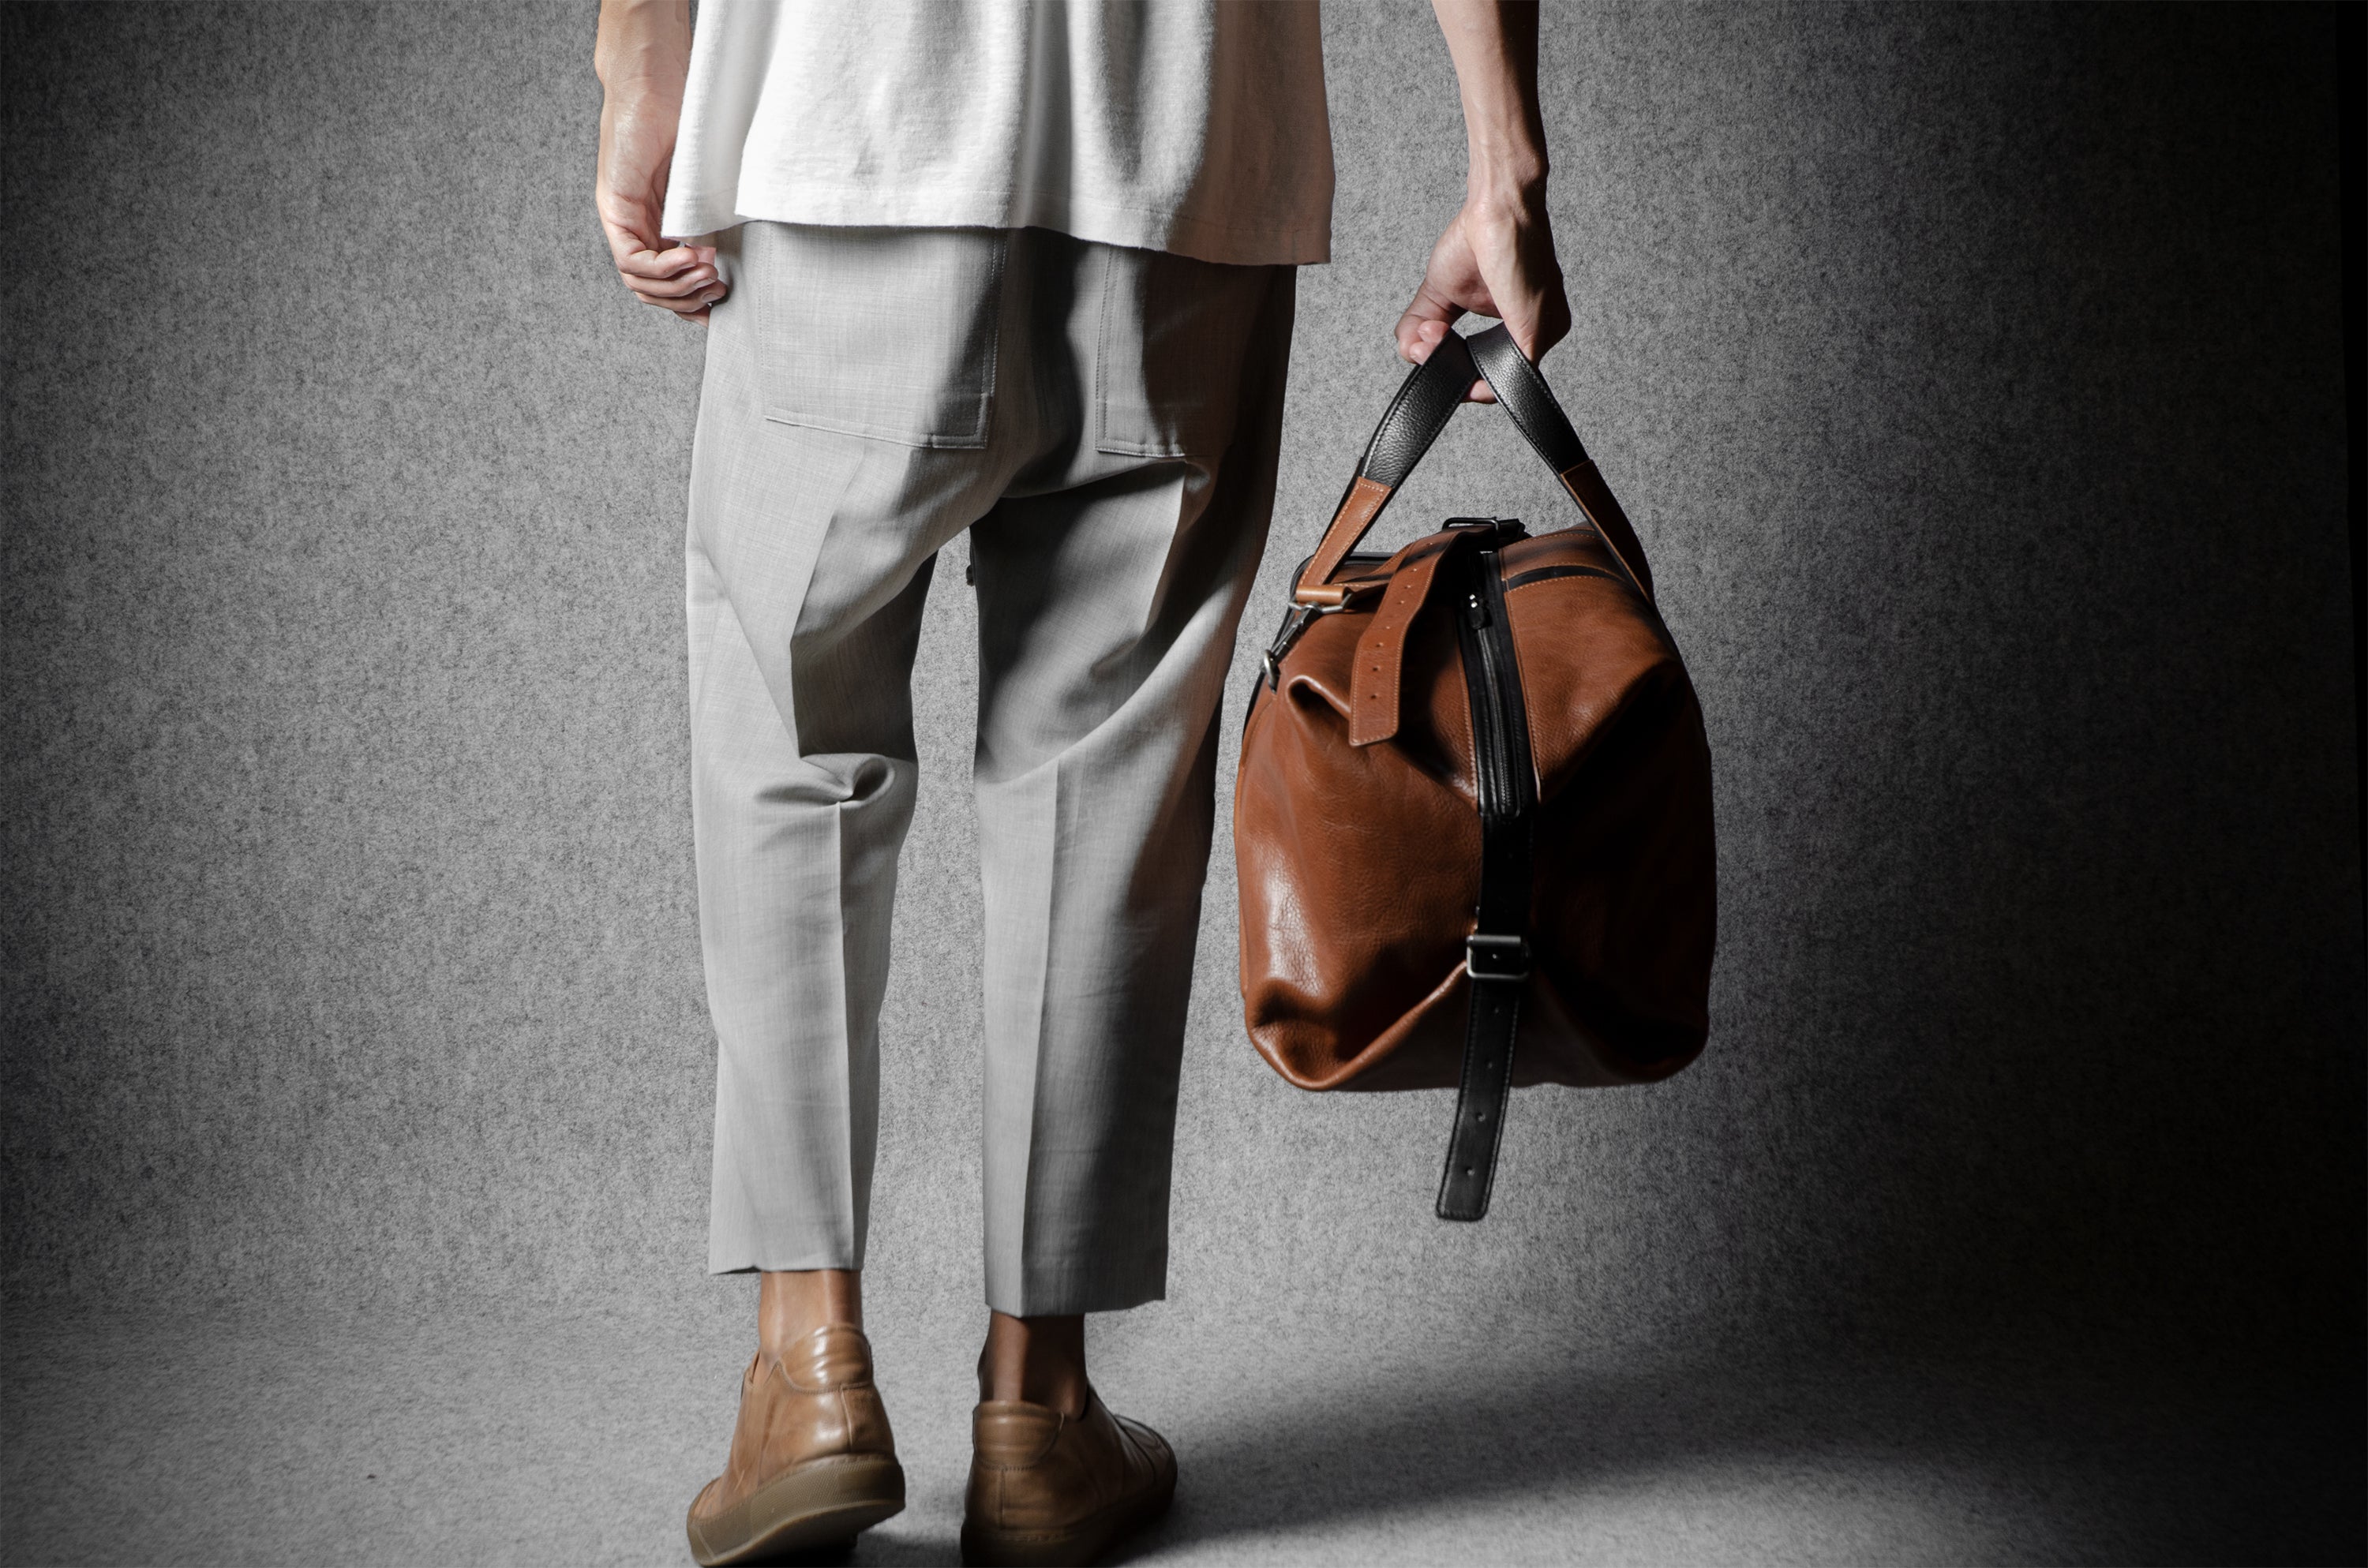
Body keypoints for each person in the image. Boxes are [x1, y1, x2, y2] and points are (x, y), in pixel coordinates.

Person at [591, 2, 1569, 1562]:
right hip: (1188, 162)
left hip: (853, 122)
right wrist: (1501, 162)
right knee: (1107, 776)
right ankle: (1038, 1411)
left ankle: (808, 1372)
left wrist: (645, 73)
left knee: (795, 736)